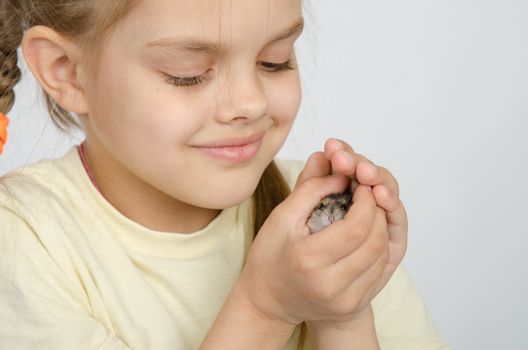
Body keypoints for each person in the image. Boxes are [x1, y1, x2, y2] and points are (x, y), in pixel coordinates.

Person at [0, 0, 449, 349]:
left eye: (274, 61)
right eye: (189, 74)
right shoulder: (23, 242)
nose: (250, 102)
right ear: (67, 71)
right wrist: (266, 308)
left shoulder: (319, 221)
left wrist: (344, 313)